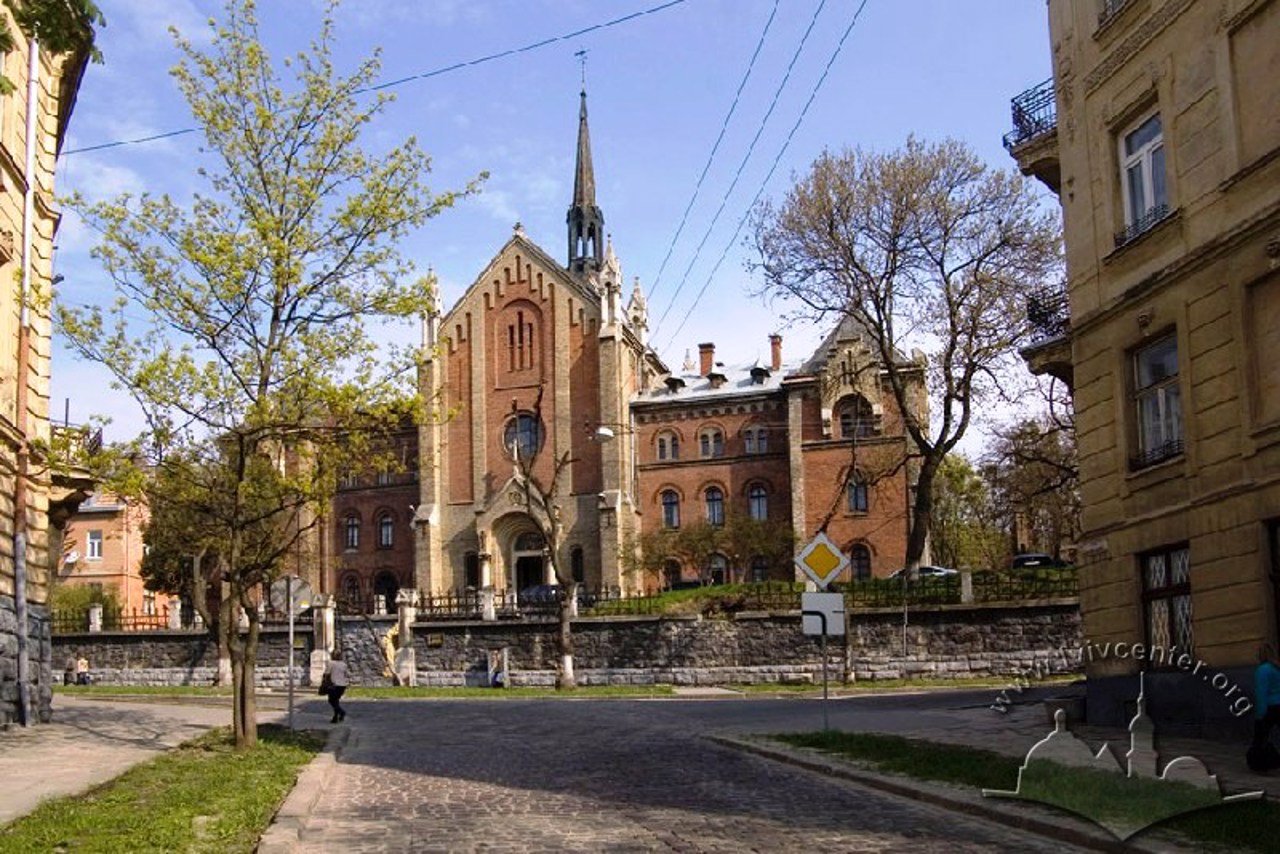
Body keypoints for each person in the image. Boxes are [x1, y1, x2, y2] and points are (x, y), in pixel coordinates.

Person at [1248, 644, 1280, 771]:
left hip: (1270, 707)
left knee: (1260, 737)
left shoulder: (1263, 670)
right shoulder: (1276, 668)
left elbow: (1261, 692)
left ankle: (1259, 763)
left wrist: (1260, 714)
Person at [324, 648, 349, 723]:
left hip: (334, 684)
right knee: (336, 700)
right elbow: (345, 674)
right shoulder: (343, 664)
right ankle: (335, 717)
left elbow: (327, 674)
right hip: (342, 685)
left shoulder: (331, 663)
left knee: (331, 700)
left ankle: (341, 712)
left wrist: (325, 681)